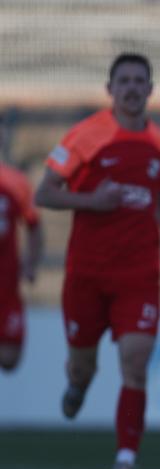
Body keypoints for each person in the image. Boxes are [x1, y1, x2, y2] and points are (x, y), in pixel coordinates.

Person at [35, 53, 160, 469]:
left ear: (150, 90)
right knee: (83, 368)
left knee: (135, 363)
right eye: (124, 81)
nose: (132, 88)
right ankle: (77, 385)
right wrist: (92, 201)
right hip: (86, 276)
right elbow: (45, 193)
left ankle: (125, 462)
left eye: (140, 81)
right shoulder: (84, 137)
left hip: (139, 277)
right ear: (109, 88)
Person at [0, 115, 43, 372]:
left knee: (10, 359)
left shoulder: (16, 181)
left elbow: (34, 226)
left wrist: (31, 263)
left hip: (7, 288)